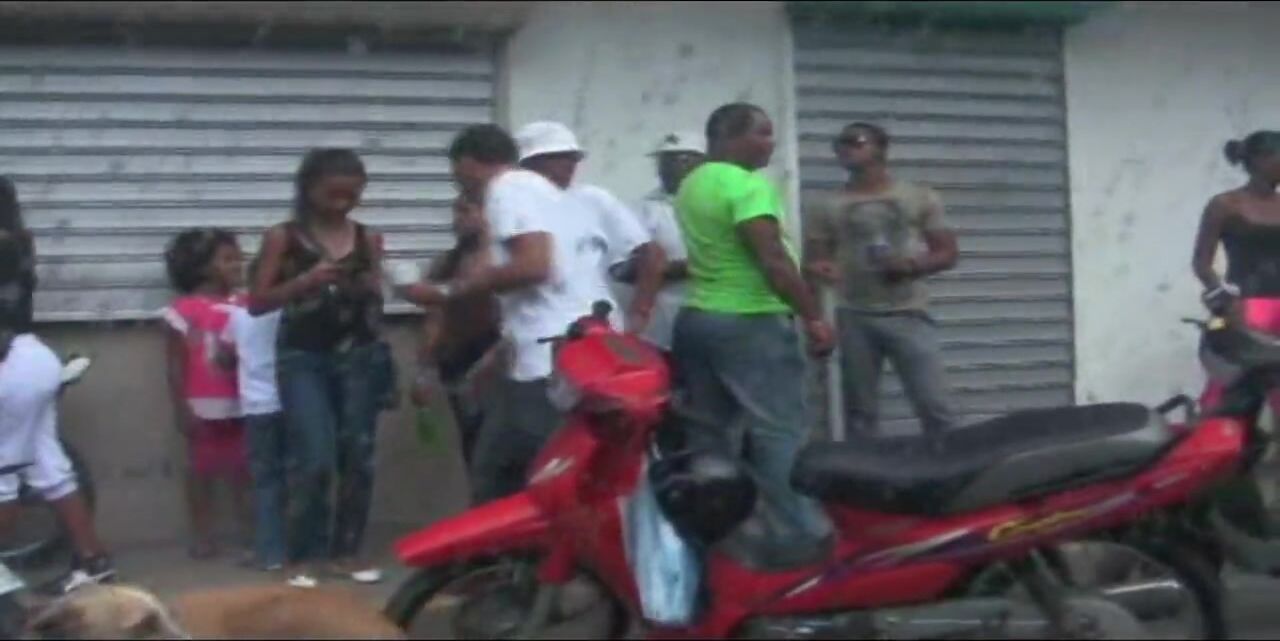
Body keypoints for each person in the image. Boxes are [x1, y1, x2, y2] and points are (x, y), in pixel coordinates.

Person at [393, 124, 607, 504]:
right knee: (525, 470)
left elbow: (535, 266)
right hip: (572, 348)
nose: (461, 188)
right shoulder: (549, 194)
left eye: (459, 176)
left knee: (503, 476)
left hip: (546, 360)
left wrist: (447, 290)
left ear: (470, 164)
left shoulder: (505, 189)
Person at [672, 103, 835, 548]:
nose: (771, 142)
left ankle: (718, 532)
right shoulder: (747, 186)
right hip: (749, 321)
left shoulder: (692, 184)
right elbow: (773, 261)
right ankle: (799, 533)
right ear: (729, 136)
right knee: (779, 430)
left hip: (699, 318)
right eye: (761, 133)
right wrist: (813, 316)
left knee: (709, 434)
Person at [250, 149, 390, 588]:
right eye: (333, 194)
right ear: (309, 190)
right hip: (302, 358)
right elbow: (257, 301)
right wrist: (305, 282)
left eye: (352, 194)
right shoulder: (283, 237)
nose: (343, 203)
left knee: (358, 457)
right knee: (313, 456)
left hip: (359, 356)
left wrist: (368, 287)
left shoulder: (368, 238)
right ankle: (303, 555)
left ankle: (347, 552)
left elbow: (377, 297)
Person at [804, 122, 959, 439]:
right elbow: (814, 264)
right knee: (860, 414)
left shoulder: (918, 197)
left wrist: (911, 266)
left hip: (908, 312)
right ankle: (865, 469)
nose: (846, 148)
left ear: (881, 149)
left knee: (935, 405)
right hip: (852, 316)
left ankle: (953, 463)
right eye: (840, 143)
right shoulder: (824, 205)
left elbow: (947, 253)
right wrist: (817, 316)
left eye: (856, 141)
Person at [0, 177, 115, 594]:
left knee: (3, 474)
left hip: (7, 364)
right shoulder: (19, 242)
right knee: (49, 467)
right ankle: (93, 561)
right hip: (32, 356)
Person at [513, 121, 665, 333]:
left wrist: (640, 312)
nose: (569, 164)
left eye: (573, 157)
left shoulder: (594, 199)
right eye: (557, 157)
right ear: (528, 163)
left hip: (600, 326)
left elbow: (651, 254)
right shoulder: (511, 204)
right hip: (537, 329)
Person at [161, 228, 252, 563]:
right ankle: (203, 533)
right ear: (201, 267)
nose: (238, 265)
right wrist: (181, 407)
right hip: (202, 404)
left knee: (246, 468)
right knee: (201, 471)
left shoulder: (246, 305)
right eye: (228, 259)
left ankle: (250, 531)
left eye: (238, 258)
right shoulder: (183, 310)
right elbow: (175, 364)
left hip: (244, 400)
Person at [412, 193, 502, 469]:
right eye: (456, 212)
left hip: (499, 357)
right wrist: (423, 372)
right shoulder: (447, 262)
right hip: (458, 359)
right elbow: (434, 318)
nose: (458, 219)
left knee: (499, 442)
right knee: (472, 443)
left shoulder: (507, 262)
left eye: (467, 211)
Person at [1193, 130, 1280, 412]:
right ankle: (1211, 435)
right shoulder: (1225, 205)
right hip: (1245, 306)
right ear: (1260, 160)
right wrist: (1222, 297)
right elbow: (1201, 263)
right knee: (1231, 383)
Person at [222, 256, 286, 572]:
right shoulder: (288, 315)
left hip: (257, 407)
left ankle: (269, 552)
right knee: (293, 478)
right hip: (290, 404)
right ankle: (296, 548)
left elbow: (224, 355)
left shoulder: (237, 316)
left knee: (264, 481)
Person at [622, 131, 706, 351]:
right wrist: (672, 268)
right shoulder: (644, 208)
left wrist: (664, 267)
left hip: (712, 319)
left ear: (701, 163)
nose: (669, 168)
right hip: (659, 326)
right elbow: (627, 267)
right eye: (664, 161)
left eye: (681, 160)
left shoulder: (717, 203)